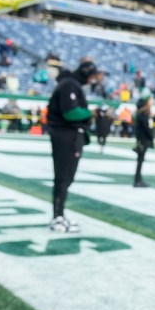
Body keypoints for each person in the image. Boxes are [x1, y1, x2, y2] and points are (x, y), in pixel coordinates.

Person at [46, 60, 100, 233]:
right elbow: (71, 113)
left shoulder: (69, 83)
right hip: (67, 136)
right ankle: (58, 217)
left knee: (65, 177)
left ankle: (59, 215)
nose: (92, 80)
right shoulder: (70, 85)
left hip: (67, 135)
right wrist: (90, 113)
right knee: (64, 176)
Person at [133, 88, 155, 188]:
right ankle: (137, 180)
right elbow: (147, 128)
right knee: (140, 161)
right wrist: (151, 138)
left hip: (143, 139)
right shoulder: (143, 113)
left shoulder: (142, 112)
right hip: (143, 139)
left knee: (140, 161)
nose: (152, 101)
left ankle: (139, 179)